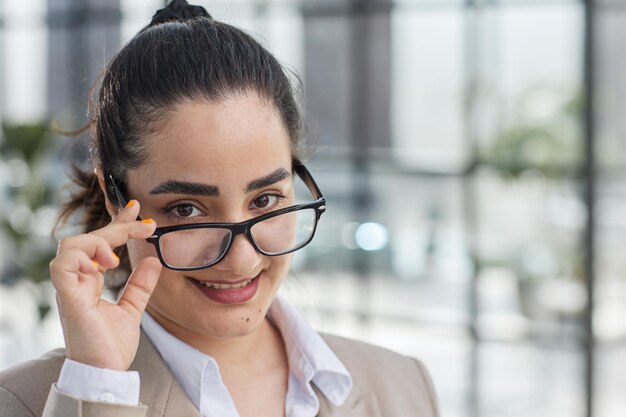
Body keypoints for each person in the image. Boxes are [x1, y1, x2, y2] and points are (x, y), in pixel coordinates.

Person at [0, 1, 439, 416]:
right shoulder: (22, 403)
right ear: (115, 197)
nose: (241, 259)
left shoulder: (402, 386)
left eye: (265, 200)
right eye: (187, 210)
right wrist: (97, 387)